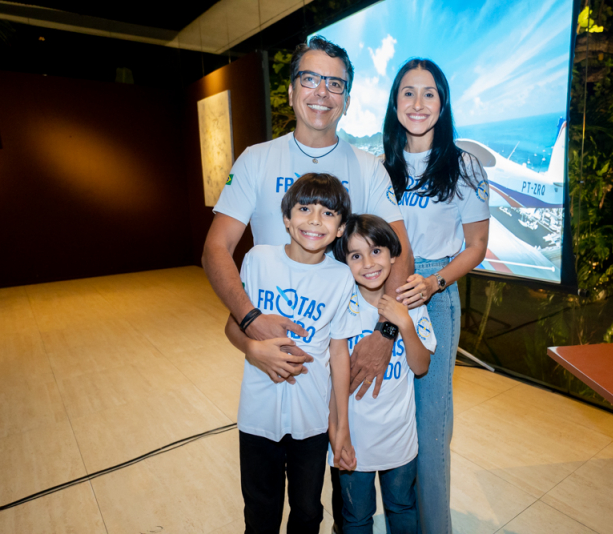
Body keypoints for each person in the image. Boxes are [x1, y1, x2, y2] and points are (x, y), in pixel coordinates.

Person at [201, 36, 413, 530]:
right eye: (311, 79)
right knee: (264, 500)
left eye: (335, 83)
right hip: (268, 352)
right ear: (292, 90)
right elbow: (216, 249)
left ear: (346, 98)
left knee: (334, 496)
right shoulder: (256, 159)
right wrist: (251, 324)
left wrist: (384, 335)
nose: (322, 92)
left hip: (346, 352)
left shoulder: (368, 167)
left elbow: (400, 254)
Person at [383, 59, 491, 534]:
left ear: (443, 104)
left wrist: (432, 284)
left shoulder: (464, 166)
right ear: (395, 103)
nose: (418, 103)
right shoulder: (381, 166)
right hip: (385, 292)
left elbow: (477, 247)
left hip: (436, 293)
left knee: (430, 427)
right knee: (390, 418)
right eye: (408, 92)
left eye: (429, 93)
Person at [226, 173, 360, 533]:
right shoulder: (258, 259)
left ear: (340, 228)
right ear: (286, 218)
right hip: (258, 415)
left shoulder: (342, 278)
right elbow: (231, 326)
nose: (315, 220)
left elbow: (339, 354)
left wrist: (341, 426)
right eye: (304, 209)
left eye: (328, 213)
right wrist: (253, 348)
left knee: (308, 511)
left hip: (311, 419)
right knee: (260, 513)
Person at [329, 214, 436, 533]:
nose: (368, 264)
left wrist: (404, 323)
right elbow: (332, 382)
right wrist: (338, 434)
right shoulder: (341, 306)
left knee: (402, 508)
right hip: (353, 440)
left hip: (399, 439)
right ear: (344, 262)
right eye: (356, 255)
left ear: (392, 254)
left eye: (376, 251)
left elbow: (421, 366)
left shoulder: (411, 305)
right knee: (356, 517)